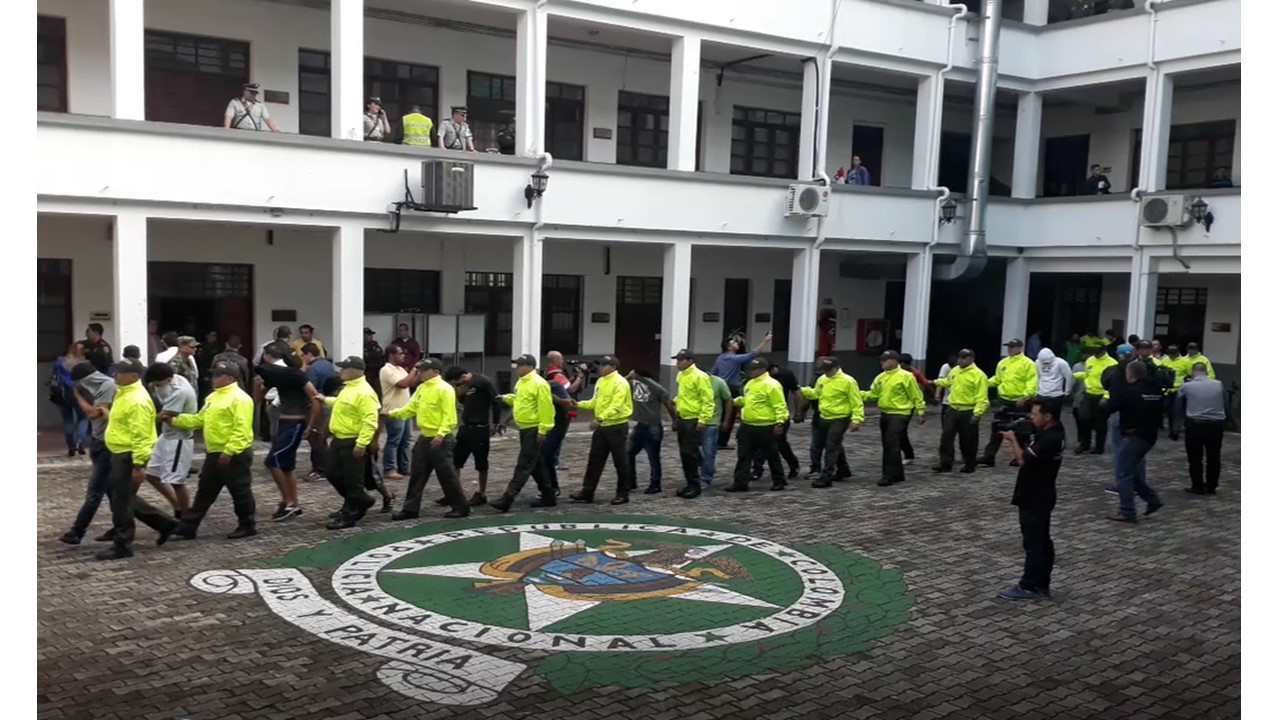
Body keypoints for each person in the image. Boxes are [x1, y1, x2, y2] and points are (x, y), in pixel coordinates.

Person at [96, 361, 179, 560]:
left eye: (119, 373)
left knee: (121, 501)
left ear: (133, 376)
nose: (115, 376)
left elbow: (142, 434)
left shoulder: (137, 400)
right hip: (119, 451)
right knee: (122, 497)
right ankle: (165, 524)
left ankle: (123, 543)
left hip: (128, 454)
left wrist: (139, 464)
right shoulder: (124, 394)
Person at [165, 364, 257, 540]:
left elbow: (242, 429)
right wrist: (174, 420)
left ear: (230, 378)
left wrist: (229, 451)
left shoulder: (240, 399)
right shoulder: (213, 397)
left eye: (218, 376)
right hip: (214, 451)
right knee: (205, 490)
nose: (213, 379)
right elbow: (200, 419)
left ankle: (247, 524)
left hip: (234, 453)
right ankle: (189, 526)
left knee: (240, 490)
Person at [996, 397, 1065, 601]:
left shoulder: (1050, 438)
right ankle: (1042, 583)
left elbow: (1023, 460)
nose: (1032, 418)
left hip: (1035, 495)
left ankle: (1029, 585)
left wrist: (1013, 440)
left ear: (1047, 416)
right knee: (1042, 541)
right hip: (1042, 492)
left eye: (1035, 415)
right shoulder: (1054, 432)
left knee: (1034, 542)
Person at [387, 359, 470, 520]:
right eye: (419, 370)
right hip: (425, 437)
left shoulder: (444, 389)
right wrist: (392, 414)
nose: (420, 373)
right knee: (417, 474)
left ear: (436, 372)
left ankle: (461, 507)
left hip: (440, 439)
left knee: (447, 475)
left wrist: (441, 434)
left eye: (424, 370)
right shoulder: (422, 388)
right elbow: (410, 408)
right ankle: (410, 509)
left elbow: (450, 417)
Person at [253, 344, 321, 521]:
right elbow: (258, 398)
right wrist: (259, 383)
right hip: (284, 422)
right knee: (287, 466)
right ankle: (294, 504)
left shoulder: (296, 375)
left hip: (295, 423)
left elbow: (315, 399)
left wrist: (310, 425)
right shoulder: (276, 376)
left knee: (272, 461)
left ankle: (288, 501)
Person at [317, 357, 381, 529]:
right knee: (332, 473)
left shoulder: (365, 392)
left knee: (353, 480)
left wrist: (361, 444)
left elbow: (370, 420)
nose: (341, 371)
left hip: (352, 440)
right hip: (339, 439)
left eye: (345, 368)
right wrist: (324, 399)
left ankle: (350, 514)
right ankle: (361, 500)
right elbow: (341, 404)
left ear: (356, 371)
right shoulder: (348, 388)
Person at [58, 362, 118, 545]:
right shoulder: (100, 385)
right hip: (99, 442)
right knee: (111, 490)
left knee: (95, 492)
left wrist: (78, 396)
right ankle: (123, 525)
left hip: (107, 444)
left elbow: (93, 414)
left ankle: (77, 531)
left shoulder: (107, 385)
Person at [491, 355, 557, 511]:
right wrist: (506, 398)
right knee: (536, 464)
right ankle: (548, 495)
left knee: (524, 463)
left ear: (530, 366)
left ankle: (508, 498)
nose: (517, 369)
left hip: (533, 429)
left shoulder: (539, 384)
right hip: (524, 428)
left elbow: (546, 408)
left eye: (520, 365)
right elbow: (520, 400)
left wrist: (543, 429)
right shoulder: (522, 383)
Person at [571, 356, 635, 505]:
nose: (600, 368)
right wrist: (578, 404)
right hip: (602, 427)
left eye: (604, 365)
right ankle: (587, 492)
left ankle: (622, 493)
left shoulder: (620, 382)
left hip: (616, 426)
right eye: (600, 365)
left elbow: (616, 405)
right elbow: (595, 402)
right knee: (594, 460)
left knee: (620, 461)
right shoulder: (601, 381)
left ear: (613, 366)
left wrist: (600, 419)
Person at [1106, 361, 1164, 523]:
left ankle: (1127, 512)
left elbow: (1112, 406)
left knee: (1123, 475)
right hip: (1149, 436)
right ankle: (1153, 500)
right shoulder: (1156, 389)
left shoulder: (1130, 391)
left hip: (1134, 437)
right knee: (1132, 473)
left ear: (1130, 374)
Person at [442, 365, 505, 506]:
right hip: (465, 427)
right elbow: (466, 402)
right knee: (456, 461)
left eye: (457, 382)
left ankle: (481, 493)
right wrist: (460, 394)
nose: (458, 385)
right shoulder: (465, 387)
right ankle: (454, 493)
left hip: (480, 428)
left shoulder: (482, 382)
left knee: (481, 463)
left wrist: (495, 422)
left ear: (463, 377)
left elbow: (496, 401)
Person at [142, 363, 198, 518]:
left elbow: (165, 416)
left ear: (168, 379)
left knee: (176, 481)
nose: (155, 387)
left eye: (158, 384)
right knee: (152, 474)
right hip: (166, 436)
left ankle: (185, 519)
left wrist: (144, 417)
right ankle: (177, 506)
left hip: (179, 439)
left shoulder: (180, 391)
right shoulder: (174, 378)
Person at [864, 351, 926, 487]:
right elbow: (873, 394)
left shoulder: (906, 376)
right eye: (881, 360)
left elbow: (916, 395)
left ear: (894, 361)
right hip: (885, 413)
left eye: (885, 360)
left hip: (900, 413)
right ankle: (897, 474)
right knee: (888, 444)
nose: (882, 363)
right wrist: (857, 394)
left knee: (891, 442)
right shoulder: (881, 377)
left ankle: (888, 475)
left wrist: (920, 411)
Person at [799, 357, 863, 487]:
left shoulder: (848, 381)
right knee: (833, 443)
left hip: (840, 417)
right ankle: (843, 469)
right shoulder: (822, 379)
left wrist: (857, 419)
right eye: (824, 370)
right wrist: (803, 390)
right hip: (824, 416)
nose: (826, 372)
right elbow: (816, 394)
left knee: (831, 446)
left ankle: (826, 476)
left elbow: (856, 402)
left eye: (828, 370)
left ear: (835, 368)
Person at [728, 357, 790, 492]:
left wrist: (780, 422)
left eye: (754, 369)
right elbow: (749, 400)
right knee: (743, 455)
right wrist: (737, 401)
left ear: (762, 370)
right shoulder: (750, 383)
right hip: (748, 425)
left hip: (765, 425)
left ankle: (779, 480)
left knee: (771, 455)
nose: (751, 372)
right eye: (750, 369)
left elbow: (780, 405)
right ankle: (740, 482)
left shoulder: (772, 384)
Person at [978, 339, 1038, 467]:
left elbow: (1032, 382)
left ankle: (1021, 456)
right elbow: (998, 379)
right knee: (997, 428)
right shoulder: (1003, 363)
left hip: (1020, 400)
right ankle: (989, 456)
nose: (1010, 349)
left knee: (1022, 430)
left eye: (1012, 347)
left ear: (1020, 348)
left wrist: (1025, 396)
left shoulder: (1028, 363)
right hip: (1004, 399)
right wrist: (985, 383)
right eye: (1009, 347)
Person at [931, 349, 988, 474]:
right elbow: (948, 381)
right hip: (953, 408)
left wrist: (977, 413)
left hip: (968, 410)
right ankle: (945, 463)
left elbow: (982, 397)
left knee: (968, 440)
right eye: (959, 357)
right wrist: (934, 382)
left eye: (963, 358)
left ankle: (969, 463)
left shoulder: (979, 375)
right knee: (946, 437)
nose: (960, 360)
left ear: (971, 359)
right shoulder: (955, 370)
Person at [711, 332, 773, 449]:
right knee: (730, 416)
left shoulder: (720, 358)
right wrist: (766, 341)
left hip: (720, 387)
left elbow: (713, 372)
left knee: (721, 413)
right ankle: (722, 441)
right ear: (729, 347)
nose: (736, 343)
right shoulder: (734, 358)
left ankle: (716, 439)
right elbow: (753, 354)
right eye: (733, 342)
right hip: (731, 388)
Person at [671, 349, 716, 499]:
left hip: (694, 419)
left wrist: (703, 420)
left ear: (690, 361)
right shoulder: (681, 375)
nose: (677, 363)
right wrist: (676, 404)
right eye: (677, 360)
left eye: (680, 360)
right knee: (685, 453)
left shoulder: (700, 376)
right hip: (683, 418)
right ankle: (690, 482)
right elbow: (684, 395)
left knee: (690, 453)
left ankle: (695, 485)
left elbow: (708, 400)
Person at [1178, 362, 1226, 496]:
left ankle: (1197, 485)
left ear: (1193, 372)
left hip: (1196, 424)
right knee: (1214, 456)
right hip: (1216, 424)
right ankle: (1211, 486)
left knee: (1195, 457)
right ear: (1206, 371)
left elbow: (1179, 397)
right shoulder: (1218, 384)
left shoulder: (1188, 386)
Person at [626, 369, 676, 495]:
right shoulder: (634, 383)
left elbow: (669, 404)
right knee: (629, 453)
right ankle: (631, 481)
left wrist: (675, 420)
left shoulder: (656, 388)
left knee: (653, 458)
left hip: (653, 426)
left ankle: (655, 484)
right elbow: (620, 382)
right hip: (640, 425)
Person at [751, 364, 802, 481]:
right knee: (760, 445)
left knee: (779, 444)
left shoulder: (786, 375)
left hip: (779, 416)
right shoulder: (755, 378)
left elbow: (797, 393)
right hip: (762, 417)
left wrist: (798, 412)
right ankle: (757, 469)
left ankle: (793, 464)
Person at [379, 346, 420, 479]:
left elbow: (412, 382)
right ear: (391, 355)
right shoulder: (386, 370)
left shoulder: (401, 369)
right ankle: (389, 468)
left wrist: (419, 372)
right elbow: (402, 384)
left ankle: (404, 466)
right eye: (400, 353)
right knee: (394, 440)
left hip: (405, 409)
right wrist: (414, 369)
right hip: (393, 409)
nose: (403, 356)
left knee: (406, 440)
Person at [1073, 345, 1117, 453]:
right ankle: (1084, 444)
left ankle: (1099, 447)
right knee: (1083, 418)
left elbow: (1113, 383)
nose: (1095, 355)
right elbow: (1088, 375)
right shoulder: (1090, 360)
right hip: (1088, 393)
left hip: (1102, 395)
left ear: (1103, 351)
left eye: (1097, 352)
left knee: (1100, 422)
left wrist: (1106, 397)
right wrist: (1076, 375)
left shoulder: (1112, 363)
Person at [53, 342, 88, 456]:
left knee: (67, 419)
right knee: (83, 418)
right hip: (79, 394)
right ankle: (80, 442)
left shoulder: (60, 361)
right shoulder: (84, 363)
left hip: (63, 394)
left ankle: (71, 445)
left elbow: (54, 375)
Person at [702, 375, 733, 489]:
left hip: (712, 423)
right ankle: (708, 468)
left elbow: (728, 400)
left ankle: (706, 478)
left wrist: (726, 420)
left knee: (709, 452)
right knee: (694, 451)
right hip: (693, 421)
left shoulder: (718, 382)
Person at [363, 328, 387, 398]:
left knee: (377, 392)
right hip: (365, 373)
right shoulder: (359, 346)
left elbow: (381, 358)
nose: (370, 337)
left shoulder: (375, 346)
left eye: (371, 335)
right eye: (368, 335)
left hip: (375, 374)